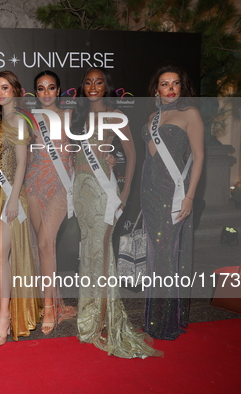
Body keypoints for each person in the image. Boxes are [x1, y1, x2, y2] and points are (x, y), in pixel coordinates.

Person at [71, 67, 161, 358]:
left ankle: (101, 320)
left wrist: (124, 193)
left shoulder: (115, 115)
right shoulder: (79, 116)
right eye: (88, 82)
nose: (93, 86)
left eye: (99, 82)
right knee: (88, 252)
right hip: (81, 189)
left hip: (103, 192)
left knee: (102, 251)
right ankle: (88, 315)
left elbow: (132, 154)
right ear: (83, 87)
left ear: (106, 86)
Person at [142, 63, 204, 340]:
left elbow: (199, 157)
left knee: (167, 254)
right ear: (157, 88)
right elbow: (149, 158)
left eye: (175, 83)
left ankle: (164, 322)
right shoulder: (153, 116)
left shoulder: (190, 114)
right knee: (156, 256)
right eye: (165, 84)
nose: (170, 89)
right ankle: (155, 318)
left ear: (182, 86)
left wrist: (190, 195)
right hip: (150, 192)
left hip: (174, 193)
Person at [0, 70, 41, 345]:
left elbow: (22, 164)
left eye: (5, 88)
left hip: (14, 198)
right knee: (4, 257)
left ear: (16, 90)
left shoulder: (18, 120)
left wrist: (12, 199)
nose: (0, 93)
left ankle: (6, 316)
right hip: (2, 197)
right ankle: (9, 312)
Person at [25, 70, 76, 334]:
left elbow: (83, 150)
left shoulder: (71, 116)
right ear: (36, 92)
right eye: (41, 88)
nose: (46, 93)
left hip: (60, 185)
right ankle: (55, 302)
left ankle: (48, 309)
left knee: (46, 242)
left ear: (58, 90)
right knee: (41, 247)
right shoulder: (29, 118)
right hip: (34, 185)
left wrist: (108, 161)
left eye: (51, 87)